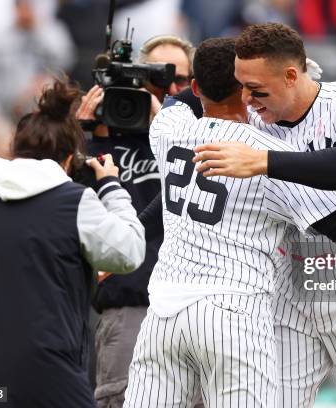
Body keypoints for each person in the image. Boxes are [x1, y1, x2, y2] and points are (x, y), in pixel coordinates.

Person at [123, 37, 336, 407]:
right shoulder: (250, 115)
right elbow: (199, 119)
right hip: (291, 292)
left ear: (290, 76)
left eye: (256, 89)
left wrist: (266, 161)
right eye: (244, 87)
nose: (251, 101)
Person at [0, 79, 146, 407]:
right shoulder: (75, 201)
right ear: (69, 159)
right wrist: (111, 185)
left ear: (16, 150)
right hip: (46, 383)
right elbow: (130, 252)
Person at [76, 34, 197, 408]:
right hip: (128, 304)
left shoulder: (200, 137)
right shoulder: (101, 136)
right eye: (160, 80)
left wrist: (169, 134)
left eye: (180, 81)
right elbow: (68, 209)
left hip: (189, 306)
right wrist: (82, 138)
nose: (170, 90)